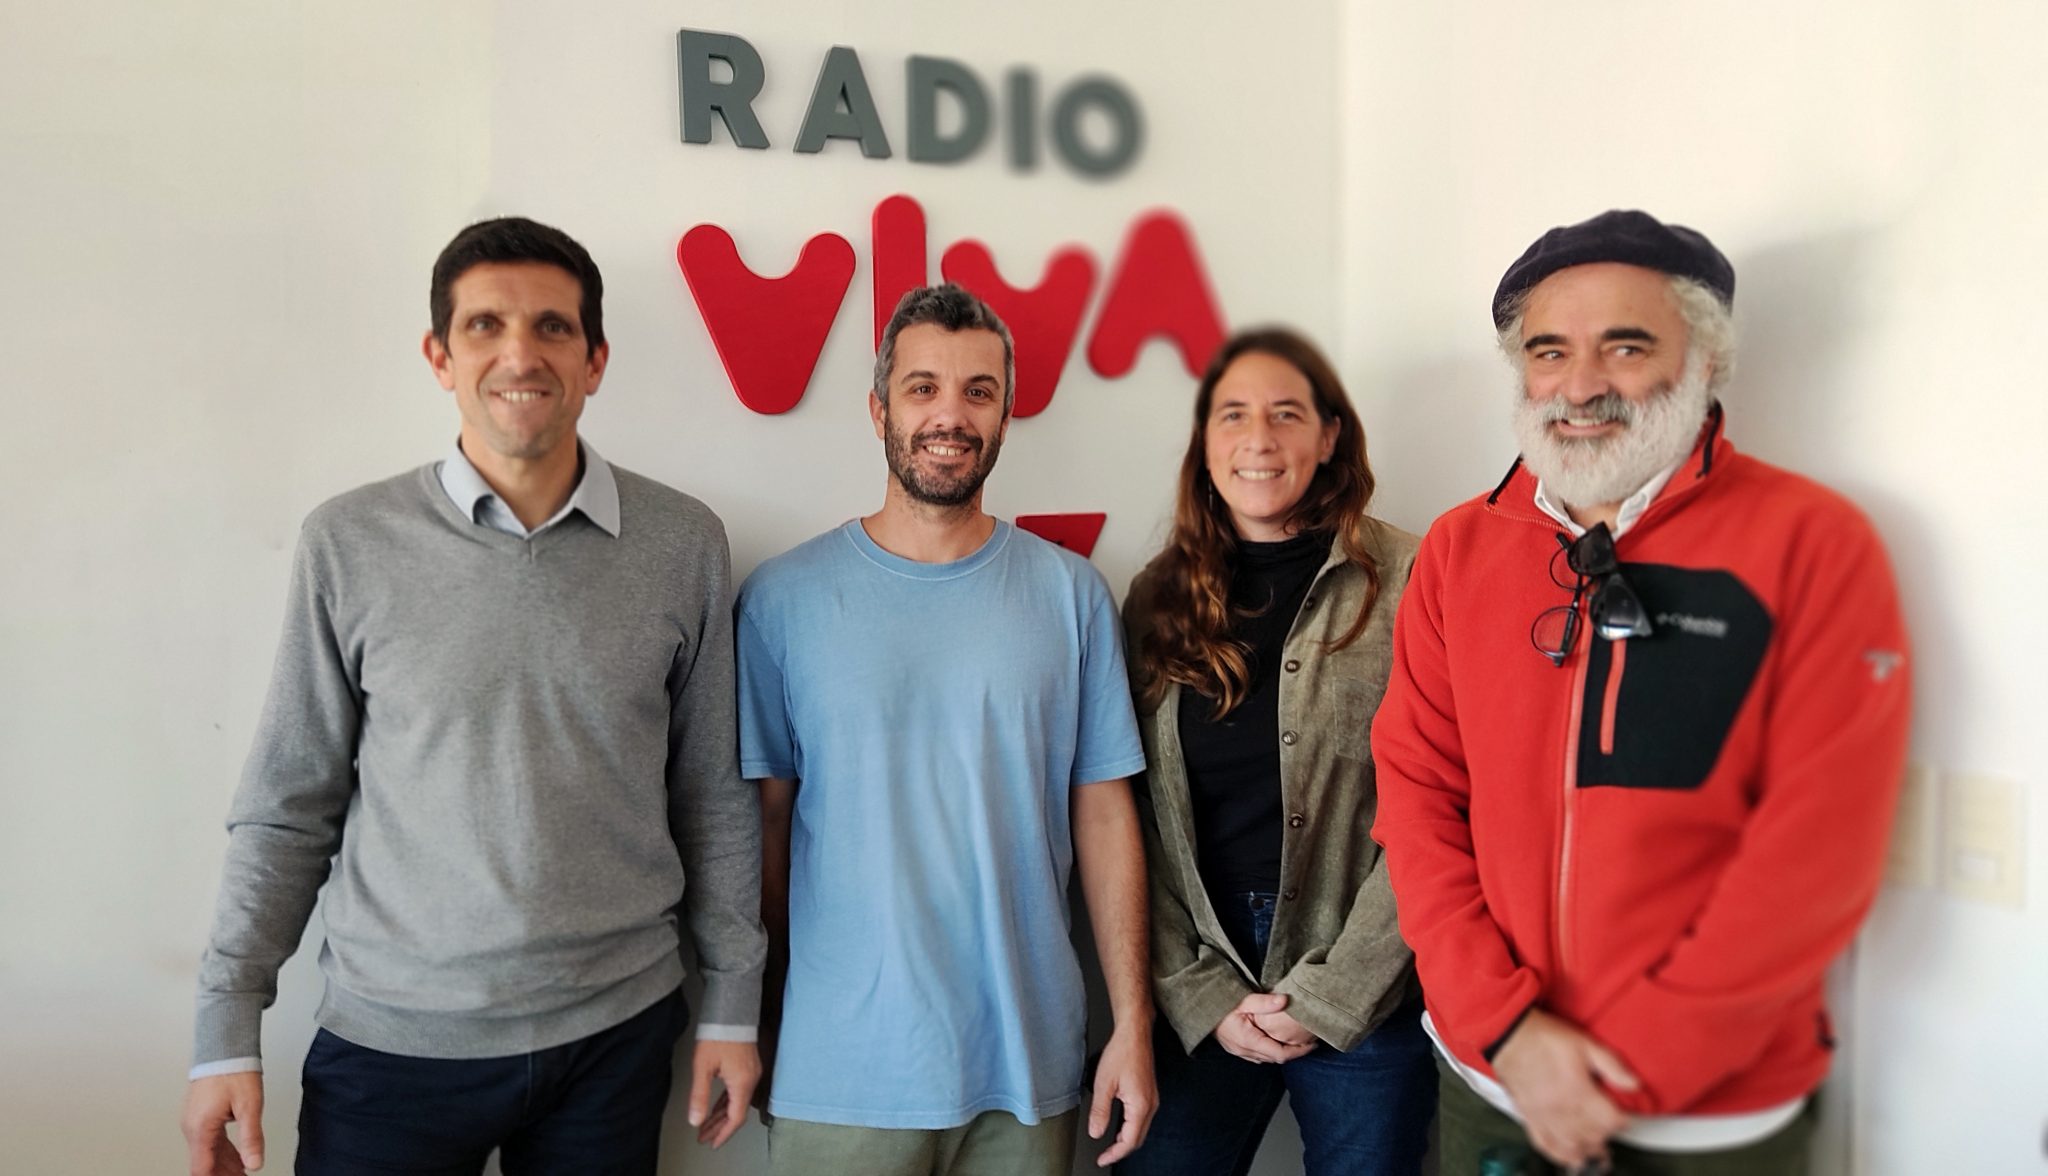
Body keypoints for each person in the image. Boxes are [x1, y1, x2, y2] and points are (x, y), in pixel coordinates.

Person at [181, 217, 766, 1176]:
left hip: (614, 1036)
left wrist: (734, 1006)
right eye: (485, 325)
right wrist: (224, 1029)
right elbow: (289, 802)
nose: (519, 354)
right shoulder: (349, 542)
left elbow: (713, 795)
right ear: (440, 357)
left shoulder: (682, 542)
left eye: (552, 327)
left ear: (595, 360)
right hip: (394, 1044)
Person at [1371, 209, 1912, 1173]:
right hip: (1493, 1083)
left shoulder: (1813, 543)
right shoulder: (1457, 549)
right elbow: (1417, 799)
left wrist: (1623, 1077)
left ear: (1706, 359)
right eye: (1549, 351)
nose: (1581, 385)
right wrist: (1506, 1031)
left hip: (1710, 1116)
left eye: (1625, 347)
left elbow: (1815, 855)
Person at [732, 283, 1156, 1175]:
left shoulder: (1072, 596)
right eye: (923, 388)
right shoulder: (782, 600)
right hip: (840, 1072)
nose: (950, 416)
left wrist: (1133, 1023)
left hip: (1026, 1070)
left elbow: (1105, 817)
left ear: (1005, 414)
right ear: (879, 410)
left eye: (978, 391)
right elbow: (764, 830)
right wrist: (756, 1019)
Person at [1117, 328, 1436, 1176]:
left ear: (1329, 436)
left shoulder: (1413, 579)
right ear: (1205, 440)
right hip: (1202, 972)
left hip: (1367, 966)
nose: (1258, 439)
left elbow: (1441, 803)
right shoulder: (1157, 598)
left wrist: (1338, 991)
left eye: (1286, 413)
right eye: (1233, 415)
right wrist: (1200, 994)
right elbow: (1135, 816)